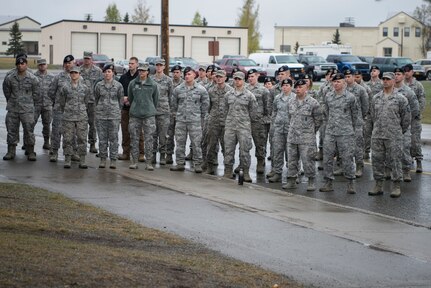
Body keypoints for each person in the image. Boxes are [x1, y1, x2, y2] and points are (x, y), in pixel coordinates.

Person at [368, 72, 411, 198]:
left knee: (395, 161)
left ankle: (396, 185)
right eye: (384, 79)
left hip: (393, 135)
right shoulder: (376, 98)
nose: (385, 81)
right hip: (377, 135)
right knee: (377, 160)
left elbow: (406, 119)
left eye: (388, 79)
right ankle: (378, 185)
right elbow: (372, 115)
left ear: (393, 81)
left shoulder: (401, 99)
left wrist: (398, 131)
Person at [319, 73, 359, 194]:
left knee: (347, 158)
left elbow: (355, 115)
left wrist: (349, 128)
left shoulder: (350, 97)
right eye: (334, 82)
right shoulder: (328, 96)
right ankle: (328, 182)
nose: (336, 84)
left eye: (338, 82)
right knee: (327, 158)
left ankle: (351, 182)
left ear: (344, 83)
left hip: (345, 132)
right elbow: (326, 112)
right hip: (330, 131)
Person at [283, 79, 322, 190]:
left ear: (306, 88)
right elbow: (289, 117)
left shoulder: (313, 103)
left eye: (301, 87)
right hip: (292, 136)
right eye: (297, 87)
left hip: (306, 138)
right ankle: (291, 180)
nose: (298, 89)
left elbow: (318, 120)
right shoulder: (291, 102)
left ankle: (311, 181)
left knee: (308, 159)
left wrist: (310, 131)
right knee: (292, 160)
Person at [170, 67, 209, 173]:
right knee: (180, 143)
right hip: (181, 121)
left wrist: (201, 120)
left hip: (195, 121)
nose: (187, 76)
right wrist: (177, 116)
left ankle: (197, 164)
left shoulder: (201, 90)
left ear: (194, 75)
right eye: (186, 74)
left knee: (196, 144)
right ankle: (180, 163)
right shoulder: (178, 89)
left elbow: (205, 107)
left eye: (189, 74)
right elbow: (173, 105)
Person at [3, 56, 40, 161]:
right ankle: (11, 151)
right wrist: (11, 101)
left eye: (22, 63)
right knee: (11, 130)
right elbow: (6, 91)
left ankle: (31, 151)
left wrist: (30, 104)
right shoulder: (10, 78)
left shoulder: (33, 79)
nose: (20, 65)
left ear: (26, 65)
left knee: (29, 130)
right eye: (18, 64)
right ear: (16, 65)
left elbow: (37, 94)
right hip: (13, 109)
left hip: (27, 110)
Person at [223, 71, 257, 182]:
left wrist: (245, 123)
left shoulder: (249, 96)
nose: (237, 81)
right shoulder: (228, 95)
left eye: (239, 79)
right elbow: (224, 111)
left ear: (243, 80)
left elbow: (253, 113)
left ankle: (245, 172)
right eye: (235, 79)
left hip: (243, 127)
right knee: (228, 149)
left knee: (245, 150)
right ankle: (228, 171)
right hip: (230, 126)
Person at [127, 63, 159, 170]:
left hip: (148, 115)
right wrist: (136, 106)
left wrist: (149, 108)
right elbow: (131, 98)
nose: (141, 73)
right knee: (134, 138)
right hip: (135, 115)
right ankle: (134, 161)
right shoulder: (132, 83)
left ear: (148, 72)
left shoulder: (153, 85)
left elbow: (155, 100)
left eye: (144, 71)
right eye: (140, 70)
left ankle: (149, 162)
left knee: (149, 139)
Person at [58, 66, 90, 169]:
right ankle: (67, 159)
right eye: (72, 73)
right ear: (70, 74)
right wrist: (67, 109)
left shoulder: (85, 88)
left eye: (76, 73)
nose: (74, 75)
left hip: (81, 116)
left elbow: (86, 101)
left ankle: (82, 160)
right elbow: (62, 102)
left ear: (79, 74)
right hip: (68, 116)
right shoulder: (65, 87)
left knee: (82, 138)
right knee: (67, 138)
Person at [94, 63, 124, 169]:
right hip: (101, 116)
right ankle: (103, 159)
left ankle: (113, 160)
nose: (107, 73)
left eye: (109, 72)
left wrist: (116, 111)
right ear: (103, 73)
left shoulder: (118, 85)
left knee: (114, 139)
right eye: (105, 71)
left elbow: (121, 101)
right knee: (102, 139)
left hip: (114, 116)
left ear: (113, 73)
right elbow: (96, 99)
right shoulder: (98, 85)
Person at [393, 67, 419, 182]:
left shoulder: (409, 92)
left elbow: (414, 109)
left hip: (404, 127)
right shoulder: (390, 90)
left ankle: (406, 171)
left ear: (403, 76)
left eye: (398, 74)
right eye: (395, 74)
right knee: (391, 150)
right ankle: (389, 170)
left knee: (405, 149)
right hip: (391, 126)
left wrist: (406, 123)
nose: (396, 76)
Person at [48, 55, 76, 162]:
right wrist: (57, 102)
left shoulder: (78, 77)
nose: (68, 65)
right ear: (64, 65)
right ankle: (54, 152)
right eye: (66, 63)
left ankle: (72, 152)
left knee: (72, 132)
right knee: (56, 131)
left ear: (73, 63)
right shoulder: (58, 77)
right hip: (59, 109)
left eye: (70, 63)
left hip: (72, 110)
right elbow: (50, 92)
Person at [205, 69, 233, 175]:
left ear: (225, 78)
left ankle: (228, 169)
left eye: (221, 77)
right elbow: (208, 107)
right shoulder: (211, 91)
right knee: (211, 145)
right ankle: (210, 166)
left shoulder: (230, 91)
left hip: (226, 122)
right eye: (217, 77)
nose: (219, 79)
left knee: (227, 147)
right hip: (214, 122)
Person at [118, 57, 145, 162]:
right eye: (129, 63)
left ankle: (141, 153)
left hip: (137, 109)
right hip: (126, 109)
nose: (130, 65)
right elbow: (119, 91)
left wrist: (132, 100)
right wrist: (123, 98)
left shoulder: (141, 77)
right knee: (125, 131)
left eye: (132, 63)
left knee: (139, 132)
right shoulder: (124, 77)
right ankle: (126, 153)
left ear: (137, 65)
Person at [268, 79, 295, 183]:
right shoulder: (277, 98)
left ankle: (292, 175)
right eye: (283, 85)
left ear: (291, 86)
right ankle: (277, 173)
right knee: (277, 152)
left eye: (287, 85)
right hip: (279, 129)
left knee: (291, 153)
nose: (285, 87)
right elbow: (274, 111)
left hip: (290, 129)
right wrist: (274, 125)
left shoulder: (295, 98)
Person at [345, 69, 369, 178]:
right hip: (344, 122)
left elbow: (365, 106)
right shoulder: (342, 89)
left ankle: (359, 166)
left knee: (358, 145)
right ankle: (344, 166)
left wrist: (360, 117)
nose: (347, 78)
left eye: (349, 76)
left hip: (357, 122)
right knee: (344, 145)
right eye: (346, 76)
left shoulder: (360, 90)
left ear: (354, 77)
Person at [246, 69, 270, 174]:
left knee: (260, 143)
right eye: (249, 76)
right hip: (245, 120)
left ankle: (260, 161)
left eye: (252, 76)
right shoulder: (244, 89)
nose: (250, 78)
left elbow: (268, 106)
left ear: (257, 76)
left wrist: (264, 119)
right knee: (244, 144)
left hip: (258, 121)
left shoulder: (263, 90)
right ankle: (243, 164)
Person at [403, 63, 426, 173]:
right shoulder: (401, 85)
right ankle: (408, 161)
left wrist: (417, 113)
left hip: (414, 119)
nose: (406, 73)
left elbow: (422, 100)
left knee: (415, 141)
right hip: (403, 119)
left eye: (408, 71)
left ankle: (419, 161)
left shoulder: (417, 85)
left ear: (412, 72)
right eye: (405, 71)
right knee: (405, 142)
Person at [150, 58, 173, 165]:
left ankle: (162, 156)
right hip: (153, 111)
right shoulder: (150, 79)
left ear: (164, 67)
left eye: (161, 65)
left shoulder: (168, 80)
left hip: (164, 112)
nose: (159, 67)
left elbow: (171, 96)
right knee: (152, 135)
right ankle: (153, 155)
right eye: (157, 65)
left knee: (163, 136)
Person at [79, 51, 103, 154]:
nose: (87, 60)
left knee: (93, 124)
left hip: (93, 102)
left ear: (91, 59)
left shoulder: (98, 71)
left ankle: (92, 144)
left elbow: (101, 85)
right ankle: (81, 144)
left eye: (88, 58)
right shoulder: (79, 71)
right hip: (81, 101)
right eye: (85, 58)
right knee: (80, 124)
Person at [34, 58, 55, 150]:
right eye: (40, 64)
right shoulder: (33, 76)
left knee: (46, 124)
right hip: (35, 105)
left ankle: (46, 142)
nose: (42, 66)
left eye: (44, 64)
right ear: (38, 66)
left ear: (47, 65)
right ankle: (28, 143)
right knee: (30, 124)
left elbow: (54, 91)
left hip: (47, 104)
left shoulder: (52, 77)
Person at [166, 64, 184, 164]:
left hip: (181, 114)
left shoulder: (184, 84)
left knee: (180, 137)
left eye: (177, 72)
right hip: (170, 113)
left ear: (181, 73)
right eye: (174, 72)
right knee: (169, 135)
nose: (175, 74)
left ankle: (180, 157)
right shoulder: (169, 83)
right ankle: (169, 155)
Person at [365, 65, 383, 160]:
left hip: (378, 112)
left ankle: (378, 153)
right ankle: (366, 151)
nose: (373, 72)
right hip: (368, 112)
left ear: (379, 72)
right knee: (367, 133)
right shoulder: (366, 85)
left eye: (375, 70)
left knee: (378, 133)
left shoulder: (382, 84)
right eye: (371, 70)